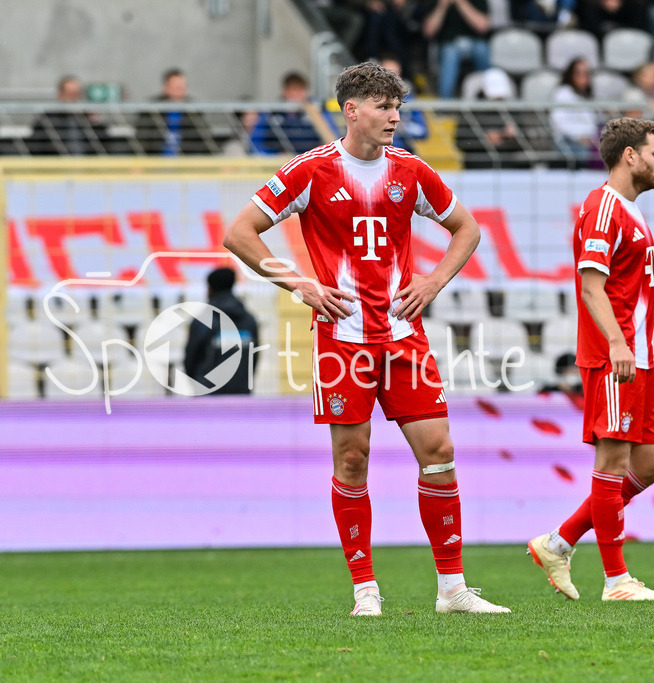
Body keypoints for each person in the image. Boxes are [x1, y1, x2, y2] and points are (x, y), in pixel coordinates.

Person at [223, 61, 509, 616]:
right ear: (350, 110)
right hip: (342, 340)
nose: (394, 117)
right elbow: (240, 234)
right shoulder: (311, 171)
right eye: (382, 106)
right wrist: (301, 284)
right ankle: (365, 591)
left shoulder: (412, 171)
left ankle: (452, 590)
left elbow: (467, 229)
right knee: (352, 459)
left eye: (396, 107)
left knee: (441, 453)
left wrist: (432, 280)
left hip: (404, 337)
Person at [528, 117, 654, 602]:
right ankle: (616, 581)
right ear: (629, 155)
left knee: (648, 465)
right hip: (616, 356)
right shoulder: (602, 208)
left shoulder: (630, 210)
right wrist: (616, 343)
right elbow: (591, 287)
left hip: (639, 357)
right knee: (612, 461)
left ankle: (559, 542)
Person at [183, 267, 260, 395]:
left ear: (210, 289)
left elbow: (190, 359)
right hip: (241, 395)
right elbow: (255, 357)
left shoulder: (203, 321)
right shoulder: (248, 320)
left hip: (207, 397)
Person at [422, 0, 492, 100]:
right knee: (450, 53)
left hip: (475, 44)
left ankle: (490, 95)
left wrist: (461, 3)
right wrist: (442, 7)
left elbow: (483, 26)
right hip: (449, 45)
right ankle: (446, 103)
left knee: (482, 49)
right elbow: (428, 32)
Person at [249, 72, 323, 155]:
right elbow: (256, 142)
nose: (296, 95)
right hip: (279, 162)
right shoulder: (271, 113)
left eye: (301, 90)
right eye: (293, 90)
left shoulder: (317, 112)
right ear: (284, 91)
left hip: (309, 160)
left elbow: (331, 138)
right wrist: (272, 156)